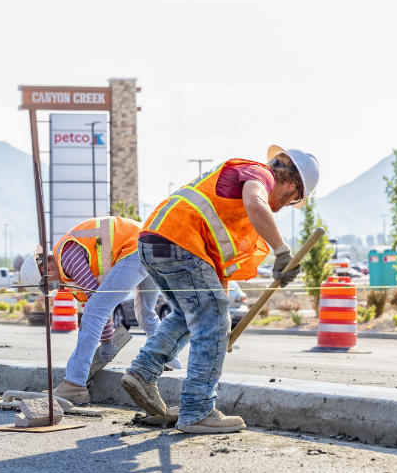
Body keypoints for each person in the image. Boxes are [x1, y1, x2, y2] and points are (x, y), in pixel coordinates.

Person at [121, 145, 319, 434]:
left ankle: (142, 372)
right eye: (293, 200)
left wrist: (219, 324)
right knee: (206, 318)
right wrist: (282, 251)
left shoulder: (229, 199)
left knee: (187, 316)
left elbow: (217, 269)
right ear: (292, 185)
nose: (285, 205)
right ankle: (198, 410)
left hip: (155, 242)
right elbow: (256, 203)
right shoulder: (259, 174)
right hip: (180, 242)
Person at [19, 215, 182, 406]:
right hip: (151, 245)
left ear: (46, 269)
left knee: (95, 311)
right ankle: (173, 365)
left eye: (47, 285)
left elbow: (96, 303)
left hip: (134, 249)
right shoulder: (67, 256)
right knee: (145, 313)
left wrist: (106, 341)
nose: (53, 286)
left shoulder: (67, 256)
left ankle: (74, 384)